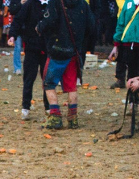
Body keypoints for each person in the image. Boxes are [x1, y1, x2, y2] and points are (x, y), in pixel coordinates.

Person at [37, 0, 95, 129]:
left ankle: (55, 116)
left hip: (56, 50)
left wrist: (39, 27)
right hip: (74, 51)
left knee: (48, 83)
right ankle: (73, 117)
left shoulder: (56, 2)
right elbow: (91, 26)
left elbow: (49, 21)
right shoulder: (83, 4)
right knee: (71, 85)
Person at [9, 0, 49, 120]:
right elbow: (18, 20)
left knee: (47, 79)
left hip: (48, 48)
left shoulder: (54, 4)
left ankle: (48, 107)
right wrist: (12, 35)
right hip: (32, 47)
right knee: (29, 78)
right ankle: (26, 107)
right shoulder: (29, 4)